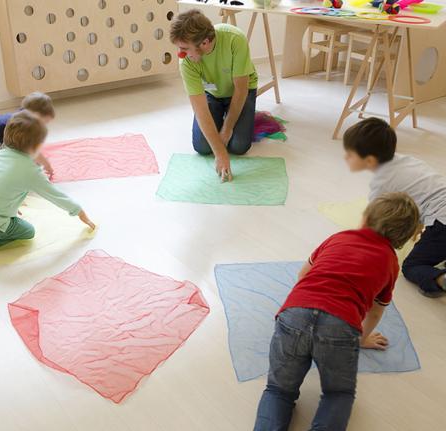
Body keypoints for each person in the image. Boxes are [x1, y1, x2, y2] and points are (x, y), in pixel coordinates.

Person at [254, 193, 421, 431]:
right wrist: (361, 338)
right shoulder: (390, 262)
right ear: (401, 238)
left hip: (294, 314)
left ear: (365, 219)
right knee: (338, 394)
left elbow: (303, 275)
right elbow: (376, 312)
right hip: (340, 327)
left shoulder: (338, 237)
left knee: (278, 390)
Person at [343, 117, 446, 318]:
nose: (346, 158)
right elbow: (425, 190)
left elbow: (371, 220)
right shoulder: (410, 160)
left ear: (369, 160)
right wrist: (419, 223)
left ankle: (444, 280)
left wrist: (353, 246)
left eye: (349, 154)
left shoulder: (381, 182)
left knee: (412, 266)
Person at [0, 110, 95, 254]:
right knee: (28, 232)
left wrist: (11, 208)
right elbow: (57, 196)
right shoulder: (31, 171)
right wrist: (80, 212)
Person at [170, 9, 259, 182]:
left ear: (204, 42)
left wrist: (227, 129)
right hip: (213, 94)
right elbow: (200, 110)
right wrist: (220, 152)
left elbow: (241, 90)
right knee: (202, 147)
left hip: (240, 91)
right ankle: (224, 117)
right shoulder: (186, 62)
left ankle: (233, 119)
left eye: (184, 48)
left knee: (239, 147)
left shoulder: (235, 39)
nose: (180, 54)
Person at [0, 91, 55, 176]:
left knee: (22, 146)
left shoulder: (21, 115)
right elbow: (31, 150)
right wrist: (46, 165)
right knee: (21, 150)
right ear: (36, 115)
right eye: (44, 123)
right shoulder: (25, 125)